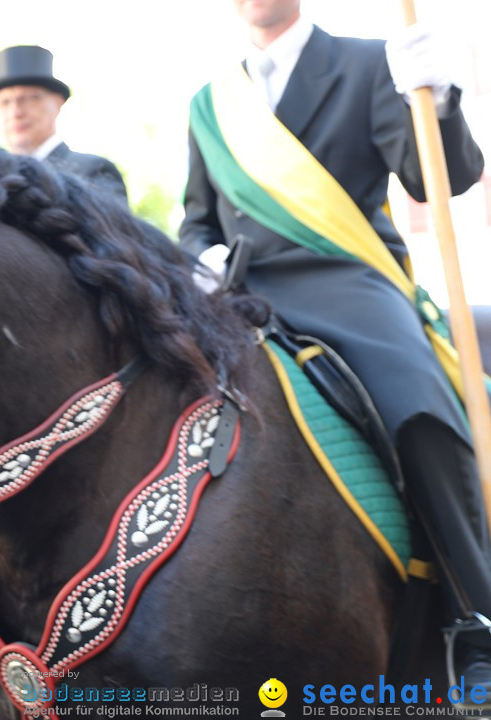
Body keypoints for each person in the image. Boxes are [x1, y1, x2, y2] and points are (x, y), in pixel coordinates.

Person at [179, 0, 490, 689]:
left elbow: (438, 177)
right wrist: (198, 258)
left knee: (421, 411)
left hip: (347, 280)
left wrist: (438, 103)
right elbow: (196, 219)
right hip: (240, 292)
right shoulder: (211, 102)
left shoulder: (368, 61)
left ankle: (475, 616)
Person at [0, 44, 127, 200]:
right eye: (5, 103)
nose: (15, 112)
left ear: (57, 102)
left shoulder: (92, 171)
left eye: (29, 99)